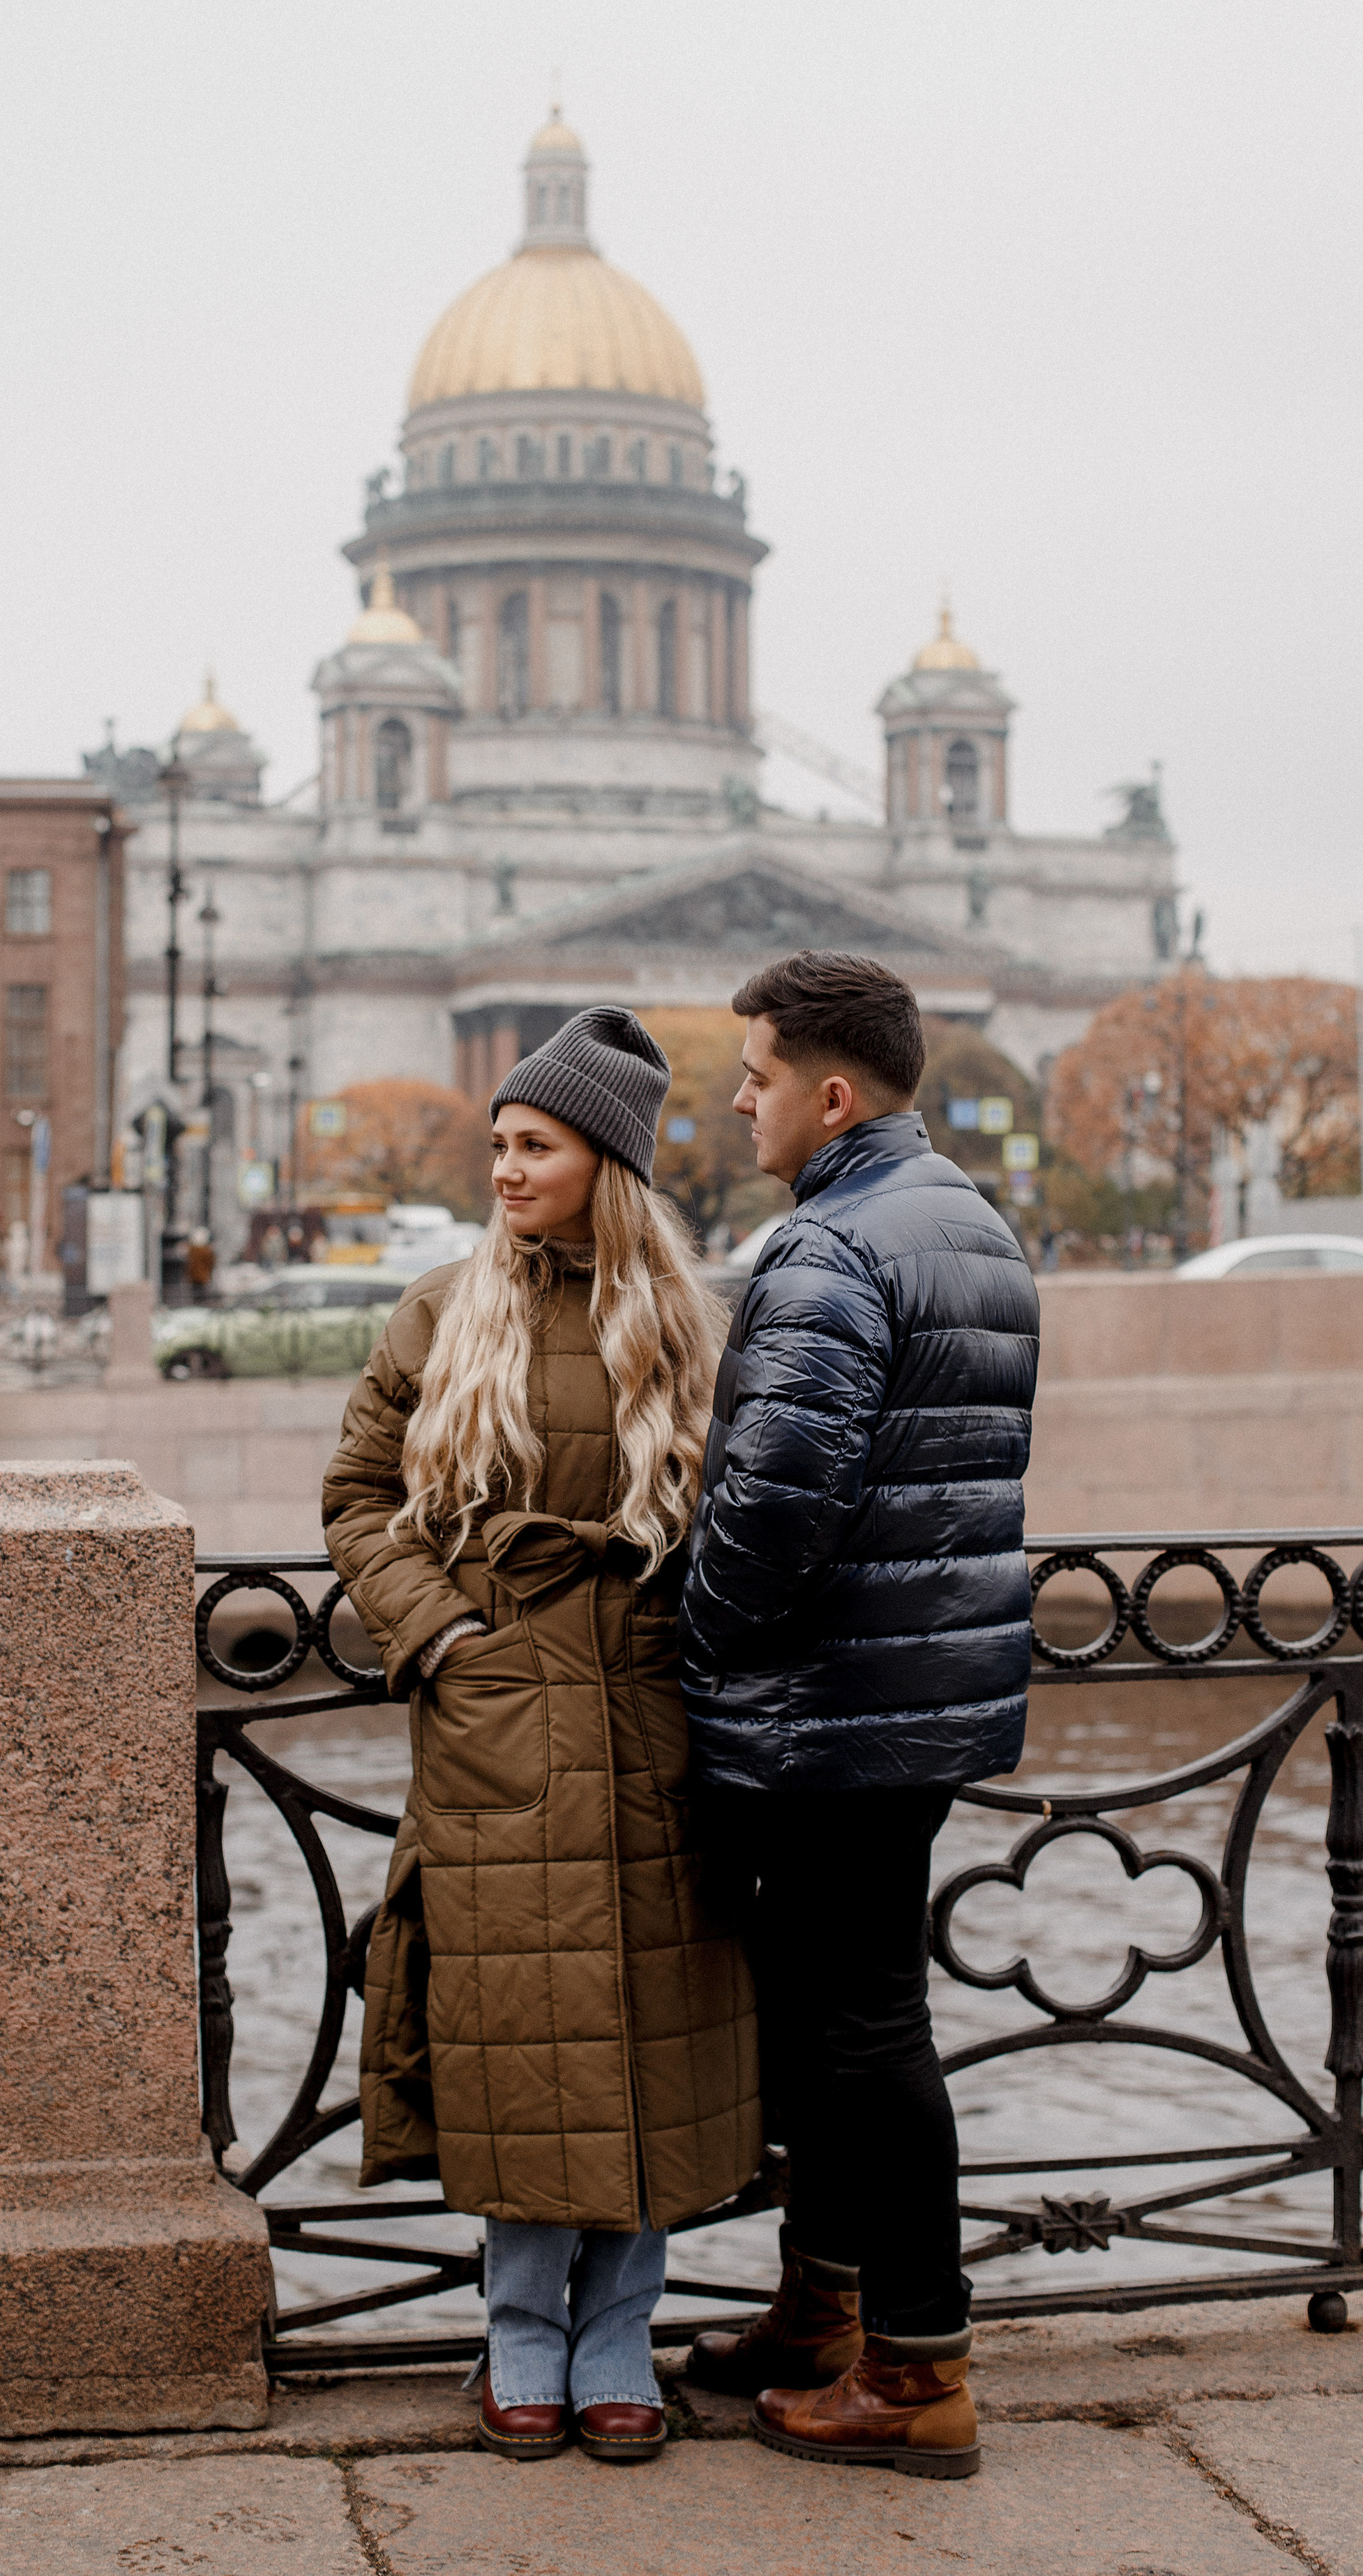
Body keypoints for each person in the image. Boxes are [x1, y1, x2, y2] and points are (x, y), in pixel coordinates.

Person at [324, 1006, 760, 2468]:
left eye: (534, 1146)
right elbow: (358, 1493)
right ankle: (518, 2329)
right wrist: (441, 1635)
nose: (503, 1170)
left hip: (647, 1703)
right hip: (495, 1712)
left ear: (607, 1165)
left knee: (642, 2017)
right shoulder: (444, 1308)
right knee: (520, 2025)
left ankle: (620, 2326)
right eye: (497, 1146)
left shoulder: (687, 1320)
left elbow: (737, 1522)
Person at [678, 951, 1039, 2477]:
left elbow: (774, 1502)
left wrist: (695, 1631)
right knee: (841, 2020)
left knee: (863, 2028)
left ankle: (913, 2370)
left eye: (752, 1077)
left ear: (829, 1095)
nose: (735, 1103)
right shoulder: (967, 1216)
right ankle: (821, 2310)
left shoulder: (825, 1245)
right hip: (923, 1683)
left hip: (827, 1699)